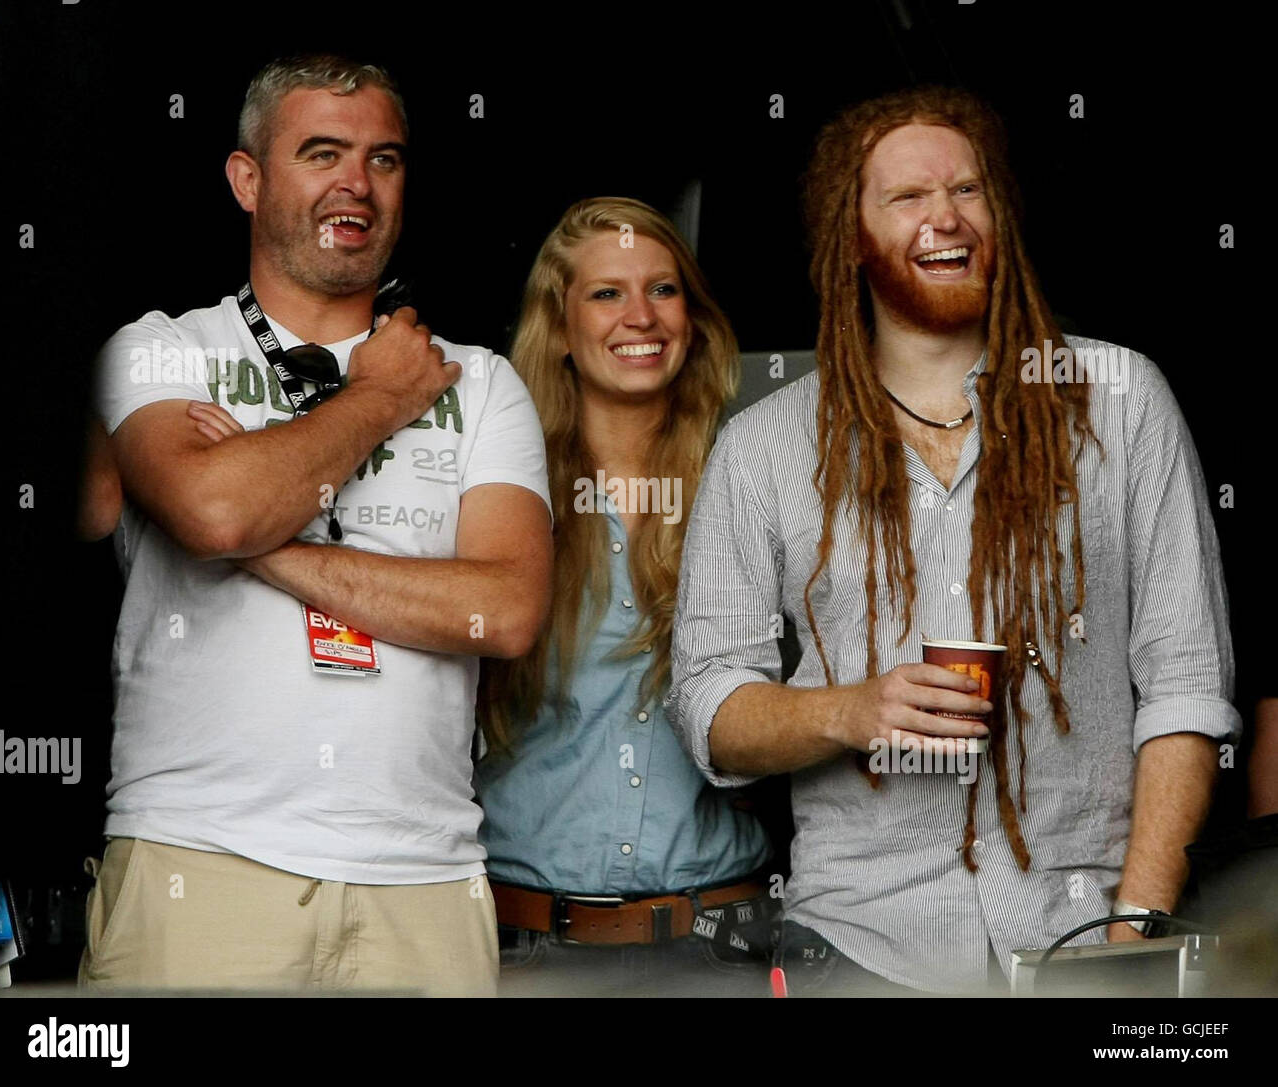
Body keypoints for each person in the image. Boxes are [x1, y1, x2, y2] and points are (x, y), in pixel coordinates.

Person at [667, 86, 1241, 995]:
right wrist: (846, 711)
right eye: (907, 197)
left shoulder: (1120, 399)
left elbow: (1185, 689)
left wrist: (1132, 930)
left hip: (1081, 934)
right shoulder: (764, 446)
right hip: (857, 946)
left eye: (968, 191)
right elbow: (708, 705)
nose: (946, 217)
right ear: (850, 235)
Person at [79, 54, 553, 995]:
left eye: (384, 159)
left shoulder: (479, 380)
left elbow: (502, 611)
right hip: (200, 863)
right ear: (247, 180)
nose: (356, 184)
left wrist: (265, 541)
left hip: (423, 885)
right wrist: (377, 398)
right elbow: (216, 508)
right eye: (322, 152)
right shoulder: (160, 351)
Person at [473, 198, 774, 996]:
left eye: (663, 290)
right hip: (526, 947)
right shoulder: (498, 495)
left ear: (694, 315)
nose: (640, 315)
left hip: (721, 948)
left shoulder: (755, 479)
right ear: (560, 327)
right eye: (607, 293)